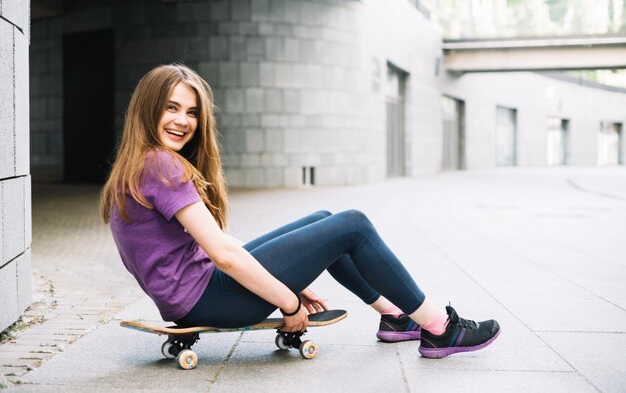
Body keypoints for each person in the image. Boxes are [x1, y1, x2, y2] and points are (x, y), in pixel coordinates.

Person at [100, 64, 500, 359]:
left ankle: (395, 316)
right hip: (207, 299)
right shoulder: (161, 165)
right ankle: (439, 328)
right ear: (146, 110)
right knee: (353, 225)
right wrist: (287, 302)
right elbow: (222, 255)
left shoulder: (138, 163)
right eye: (171, 108)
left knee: (324, 220)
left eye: (191, 113)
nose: (183, 121)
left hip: (199, 291)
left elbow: (219, 245)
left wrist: (283, 273)